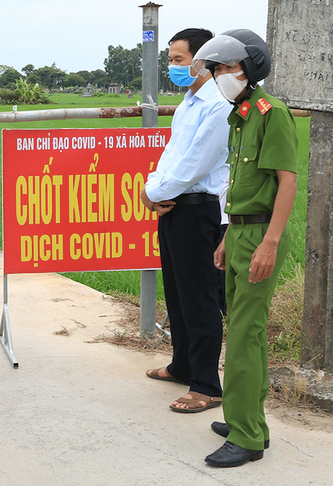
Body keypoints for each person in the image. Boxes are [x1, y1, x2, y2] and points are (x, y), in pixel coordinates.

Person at [194, 28, 298, 467]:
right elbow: (238, 185)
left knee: (242, 336)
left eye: (228, 67)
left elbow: (286, 183)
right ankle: (249, 420)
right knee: (245, 332)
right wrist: (226, 237)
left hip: (260, 236)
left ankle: (247, 436)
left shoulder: (272, 114)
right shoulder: (240, 115)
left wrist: (270, 243)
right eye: (216, 68)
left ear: (251, 67)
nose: (221, 74)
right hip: (238, 233)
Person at [140, 28, 232, 414]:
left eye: (179, 60)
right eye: (170, 60)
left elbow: (197, 164)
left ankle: (207, 385)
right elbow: (171, 156)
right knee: (177, 293)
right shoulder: (187, 104)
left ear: (202, 61)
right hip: (174, 208)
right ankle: (182, 365)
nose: (173, 67)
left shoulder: (218, 105)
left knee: (200, 299)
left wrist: (155, 193)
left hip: (201, 210)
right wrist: (151, 189)